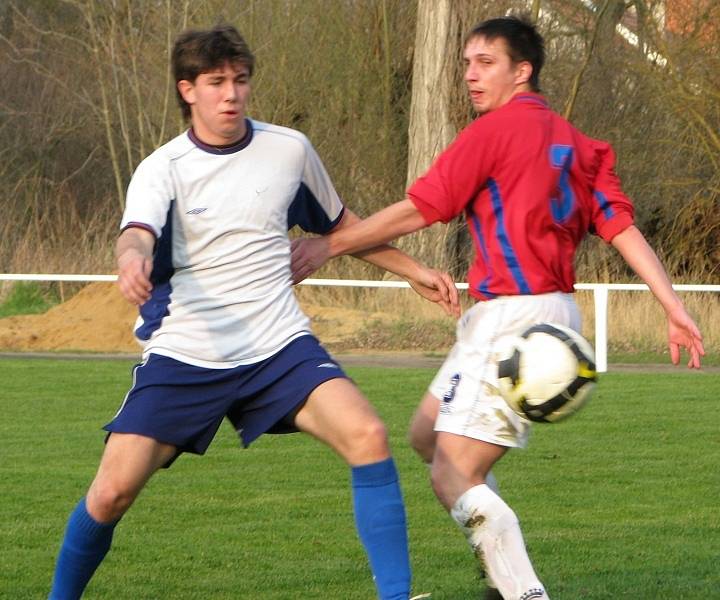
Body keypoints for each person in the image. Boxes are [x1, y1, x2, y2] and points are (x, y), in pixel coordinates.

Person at [290, 15, 705, 600]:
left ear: (523, 70)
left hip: (516, 322)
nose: (470, 75)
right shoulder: (580, 146)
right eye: (465, 63)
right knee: (426, 433)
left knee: (451, 473)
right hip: (547, 319)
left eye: (485, 62)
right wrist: (672, 303)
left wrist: (328, 244)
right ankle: (499, 570)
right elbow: (621, 227)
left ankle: (522, 591)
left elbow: (420, 208)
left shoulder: (492, 132)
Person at [48, 24, 460, 600]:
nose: (232, 94)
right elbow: (136, 234)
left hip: (278, 347)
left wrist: (412, 269)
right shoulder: (161, 168)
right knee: (111, 493)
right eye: (216, 83)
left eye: (240, 80)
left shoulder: (288, 150)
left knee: (367, 433)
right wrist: (130, 261)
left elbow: (342, 227)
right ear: (187, 89)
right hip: (188, 353)